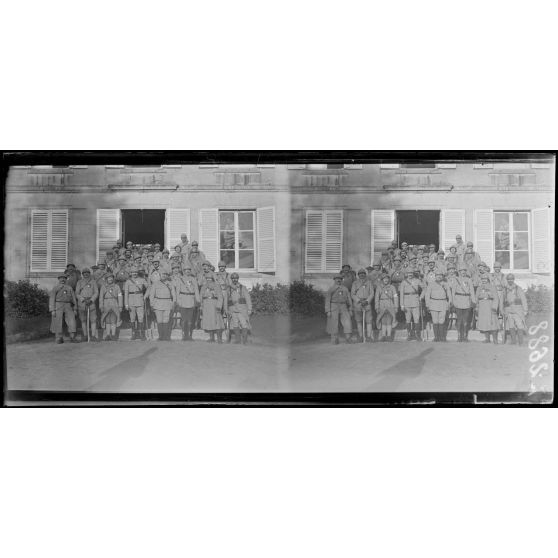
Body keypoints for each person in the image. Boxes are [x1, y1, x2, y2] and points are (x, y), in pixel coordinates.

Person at [172, 264, 200, 341]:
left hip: (191, 300)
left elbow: (196, 291)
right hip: (183, 300)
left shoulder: (193, 279)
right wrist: (178, 301)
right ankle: (184, 335)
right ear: (183, 271)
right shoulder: (180, 279)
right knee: (184, 320)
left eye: (189, 270)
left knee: (190, 320)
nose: (187, 271)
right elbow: (177, 291)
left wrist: (198, 300)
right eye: (185, 270)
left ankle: (190, 335)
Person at [449, 264, 476, 342]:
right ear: (459, 272)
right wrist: (453, 302)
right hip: (458, 301)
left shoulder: (469, 280)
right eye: (461, 271)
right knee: (459, 320)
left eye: (464, 271)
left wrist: (473, 302)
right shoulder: (456, 279)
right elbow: (453, 292)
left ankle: (465, 336)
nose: (463, 272)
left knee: (466, 320)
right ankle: (459, 336)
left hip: (467, 302)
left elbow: (472, 292)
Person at [49, 273, 79, 344]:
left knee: (72, 320)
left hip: (68, 305)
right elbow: (52, 299)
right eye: (61, 278)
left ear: (66, 279)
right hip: (58, 305)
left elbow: (74, 299)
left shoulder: (69, 288)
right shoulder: (55, 288)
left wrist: (75, 309)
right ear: (58, 279)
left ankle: (72, 337)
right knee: (57, 321)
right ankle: (58, 338)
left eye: (64, 278)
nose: (62, 279)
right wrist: (52, 310)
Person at [325, 274, 353, 344]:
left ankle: (348, 338)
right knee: (333, 322)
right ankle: (334, 339)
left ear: (342, 280)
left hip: (343, 305)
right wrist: (328, 310)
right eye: (337, 279)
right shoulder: (331, 289)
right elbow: (327, 300)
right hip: (333, 305)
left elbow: (349, 299)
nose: (338, 280)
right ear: (334, 280)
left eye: (340, 279)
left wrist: (350, 309)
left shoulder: (345, 288)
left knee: (347, 321)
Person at [227, 272, 253, 345]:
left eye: (236, 278)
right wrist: (227, 309)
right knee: (235, 325)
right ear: (231, 279)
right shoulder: (228, 288)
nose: (234, 280)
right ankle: (237, 340)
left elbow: (248, 299)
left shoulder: (242, 287)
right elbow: (227, 299)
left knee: (244, 324)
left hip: (242, 310)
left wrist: (249, 309)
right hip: (233, 310)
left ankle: (244, 341)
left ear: (238, 279)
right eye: (233, 278)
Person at [424, 271, 450, 342]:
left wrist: (449, 303)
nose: (439, 276)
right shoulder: (431, 284)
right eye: (437, 275)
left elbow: (449, 295)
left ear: (442, 276)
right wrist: (427, 305)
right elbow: (427, 295)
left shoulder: (446, 284)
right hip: (433, 304)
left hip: (443, 303)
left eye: (440, 275)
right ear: (435, 276)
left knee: (442, 321)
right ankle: (436, 337)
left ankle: (442, 337)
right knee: (435, 321)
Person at [149, 270, 175, 341]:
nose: (164, 276)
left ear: (167, 276)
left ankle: (166, 336)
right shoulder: (155, 284)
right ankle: (161, 336)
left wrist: (173, 303)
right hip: (158, 304)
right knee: (159, 320)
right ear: (160, 275)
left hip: (167, 303)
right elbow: (151, 295)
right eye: (162, 274)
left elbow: (173, 295)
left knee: (166, 320)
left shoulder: (170, 284)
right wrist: (152, 304)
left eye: (165, 274)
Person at [503, 274, 528, 345]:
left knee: (519, 325)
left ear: (513, 279)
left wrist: (525, 310)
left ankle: (521, 342)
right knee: (511, 326)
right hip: (508, 310)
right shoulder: (505, 289)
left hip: (517, 310)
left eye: (511, 279)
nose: (510, 281)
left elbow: (523, 299)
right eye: (508, 279)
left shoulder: (518, 288)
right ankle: (513, 342)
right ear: (507, 280)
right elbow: (503, 300)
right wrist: (503, 310)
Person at [124, 266, 148, 340]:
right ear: (130, 273)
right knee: (132, 318)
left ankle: (141, 334)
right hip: (131, 301)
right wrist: (126, 304)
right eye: (132, 272)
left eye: (135, 272)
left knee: (141, 318)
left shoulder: (142, 280)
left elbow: (149, 288)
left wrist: (145, 296)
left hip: (140, 301)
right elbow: (126, 293)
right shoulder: (128, 282)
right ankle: (133, 334)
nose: (134, 274)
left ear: (137, 273)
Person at [75, 268, 99, 342]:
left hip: (91, 302)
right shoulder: (79, 282)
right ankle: (85, 335)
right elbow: (77, 293)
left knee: (93, 320)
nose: (86, 274)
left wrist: (91, 300)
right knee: (83, 320)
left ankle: (93, 336)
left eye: (87, 273)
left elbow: (96, 292)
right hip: (82, 303)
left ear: (89, 273)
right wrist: (83, 299)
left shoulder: (93, 282)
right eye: (84, 273)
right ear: (82, 274)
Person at [199, 274, 225, 343]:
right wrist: (201, 306)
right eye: (207, 278)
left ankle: (219, 339)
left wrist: (219, 306)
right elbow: (200, 296)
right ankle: (212, 338)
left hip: (214, 304)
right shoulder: (203, 287)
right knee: (209, 322)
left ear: (212, 279)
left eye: (210, 278)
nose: (208, 280)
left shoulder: (216, 286)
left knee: (217, 321)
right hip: (206, 305)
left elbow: (220, 297)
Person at [351, 269, 374, 342]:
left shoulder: (369, 282)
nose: (362, 275)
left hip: (367, 303)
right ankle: (361, 336)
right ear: (358, 275)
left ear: (365, 274)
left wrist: (367, 301)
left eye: (363, 273)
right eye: (360, 274)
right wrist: (358, 300)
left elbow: (372, 293)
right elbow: (352, 294)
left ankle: (369, 336)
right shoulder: (355, 283)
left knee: (369, 321)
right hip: (358, 303)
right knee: (359, 321)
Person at [476, 274, 500, 344]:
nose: (484, 280)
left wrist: (494, 307)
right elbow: (476, 297)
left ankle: (495, 339)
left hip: (490, 305)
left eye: (485, 279)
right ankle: (487, 339)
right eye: (482, 279)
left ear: (488, 279)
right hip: (482, 306)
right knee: (484, 323)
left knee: (493, 322)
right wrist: (477, 307)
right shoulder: (479, 288)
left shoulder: (492, 287)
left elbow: (496, 298)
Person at [400, 269, 423, 341]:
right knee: (408, 319)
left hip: (415, 302)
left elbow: (425, 288)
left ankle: (418, 335)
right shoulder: (403, 282)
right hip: (406, 303)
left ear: (413, 273)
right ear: (406, 274)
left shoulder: (417, 280)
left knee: (416, 319)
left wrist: (421, 296)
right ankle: (409, 335)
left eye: (411, 273)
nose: (410, 274)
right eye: (408, 273)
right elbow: (401, 294)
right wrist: (402, 305)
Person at [99, 273, 123, 341]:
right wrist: (101, 306)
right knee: (107, 320)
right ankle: (108, 335)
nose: (110, 279)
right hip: (106, 304)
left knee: (113, 320)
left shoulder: (116, 286)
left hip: (114, 303)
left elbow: (120, 296)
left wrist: (120, 306)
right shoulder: (103, 287)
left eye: (111, 278)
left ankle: (113, 334)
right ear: (106, 279)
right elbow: (101, 297)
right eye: (109, 278)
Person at [375, 275, 398, 342]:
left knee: (389, 320)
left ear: (389, 280)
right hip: (382, 304)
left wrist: (396, 306)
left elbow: (395, 297)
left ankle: (389, 336)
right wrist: (377, 307)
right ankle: (383, 335)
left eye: (387, 279)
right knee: (383, 320)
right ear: (382, 280)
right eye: (384, 279)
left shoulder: (392, 287)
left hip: (390, 304)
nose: (386, 280)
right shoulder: (379, 287)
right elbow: (377, 298)